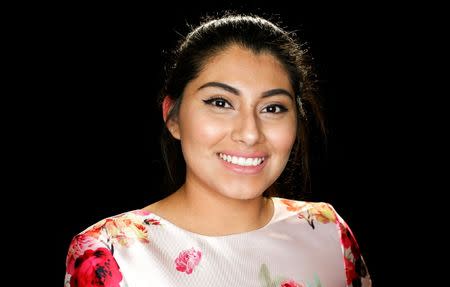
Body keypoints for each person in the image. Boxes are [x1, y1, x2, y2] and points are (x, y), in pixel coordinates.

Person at [64, 13, 371, 287]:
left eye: (273, 107)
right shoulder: (110, 253)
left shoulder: (327, 231)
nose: (250, 133)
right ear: (172, 116)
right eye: (220, 103)